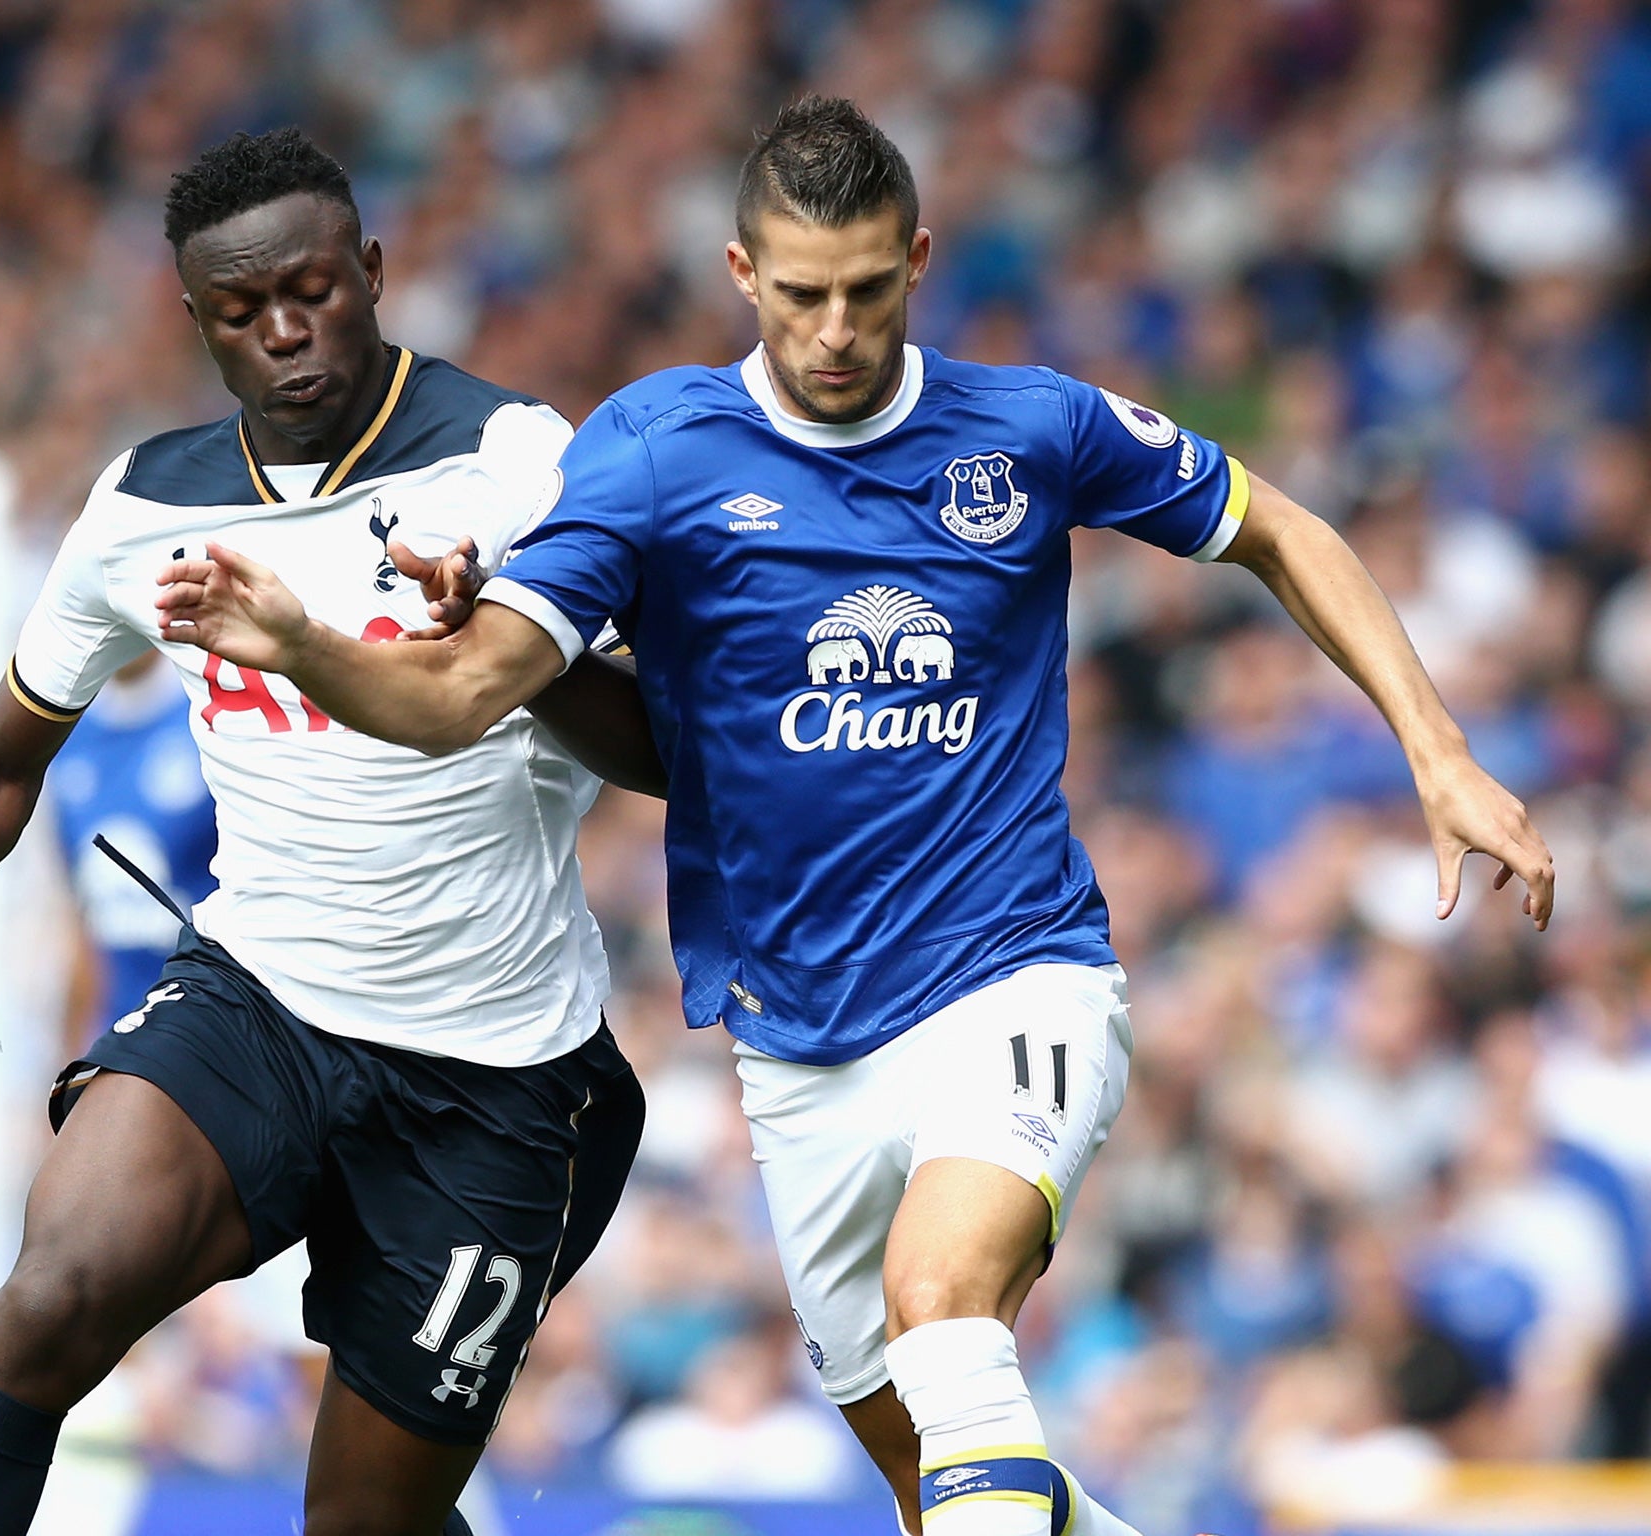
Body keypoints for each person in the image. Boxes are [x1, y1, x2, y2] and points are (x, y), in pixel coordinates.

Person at [154, 97, 1557, 1536]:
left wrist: (1436, 750)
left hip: (1015, 972)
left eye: (870, 291)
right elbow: (470, 695)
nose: (836, 331)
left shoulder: (1030, 429)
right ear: (743, 274)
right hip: (799, 1039)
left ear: (921, 262)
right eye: (805, 294)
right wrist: (313, 646)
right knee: (934, 1466)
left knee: (944, 1311)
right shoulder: (654, 451)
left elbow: (1278, 528)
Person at [0, 126, 651, 1536]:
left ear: (374, 273)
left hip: (495, 1074)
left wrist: (526, 653)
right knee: (49, 1301)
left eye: (312, 290)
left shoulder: (511, 466)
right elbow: (7, 755)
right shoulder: (146, 505)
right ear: (197, 322)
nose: (286, 333)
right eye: (243, 313)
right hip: (261, 1004)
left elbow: (670, 752)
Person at [46, 650, 217, 1056]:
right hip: (122, 1038)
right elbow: (82, 925)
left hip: (218, 1031)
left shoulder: (213, 718)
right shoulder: (67, 745)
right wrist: (68, 1061)